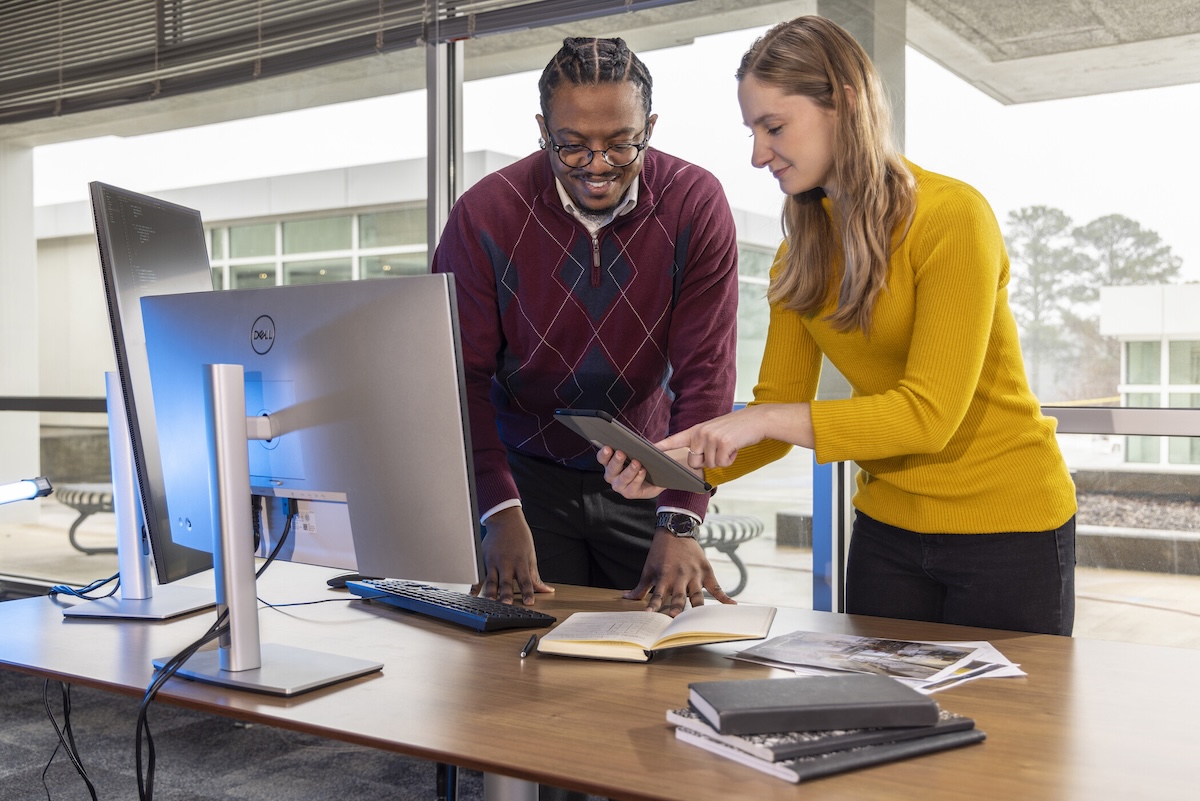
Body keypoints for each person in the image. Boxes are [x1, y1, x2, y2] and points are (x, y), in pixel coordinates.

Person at [600, 16, 1078, 636]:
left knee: (1002, 705)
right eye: (752, 131)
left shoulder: (952, 218)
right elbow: (774, 417)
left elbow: (928, 416)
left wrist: (762, 419)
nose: (757, 154)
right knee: (874, 700)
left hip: (1010, 530)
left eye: (774, 127)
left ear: (845, 105)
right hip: (887, 532)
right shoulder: (798, 256)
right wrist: (675, 468)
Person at [432, 36, 740, 616]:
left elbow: (706, 372)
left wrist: (680, 516)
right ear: (542, 130)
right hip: (523, 479)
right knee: (519, 650)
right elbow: (456, 376)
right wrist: (497, 509)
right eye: (572, 146)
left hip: (647, 471)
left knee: (658, 644)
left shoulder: (694, 202)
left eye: (622, 144)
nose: (598, 166)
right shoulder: (484, 213)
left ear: (650, 127)